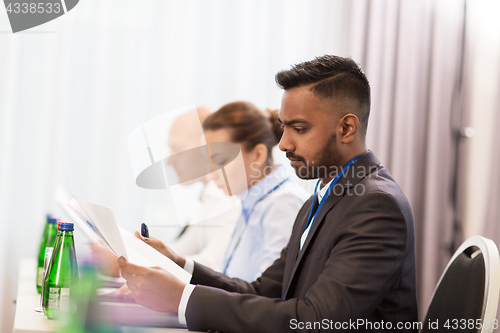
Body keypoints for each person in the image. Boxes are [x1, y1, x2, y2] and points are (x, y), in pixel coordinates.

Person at [118, 55, 419, 333]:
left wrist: (183, 298)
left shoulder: (376, 206)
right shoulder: (323, 197)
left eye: (299, 129)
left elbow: (317, 320)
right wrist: (178, 263)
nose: (284, 143)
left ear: (347, 128)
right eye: (284, 128)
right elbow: (262, 291)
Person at [137, 102, 309, 282]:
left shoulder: (282, 204)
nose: (211, 175)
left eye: (220, 161)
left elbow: (267, 294)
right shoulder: (252, 202)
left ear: (257, 156)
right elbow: (235, 284)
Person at [91, 107, 241, 274]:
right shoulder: (210, 197)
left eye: (177, 148)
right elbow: (178, 252)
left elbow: (213, 266)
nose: (169, 161)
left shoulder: (227, 198)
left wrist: (124, 264)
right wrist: (126, 253)